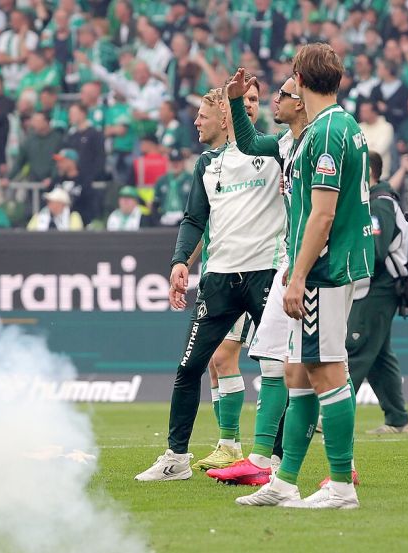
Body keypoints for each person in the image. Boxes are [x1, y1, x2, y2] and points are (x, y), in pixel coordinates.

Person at [237, 43, 373, 510]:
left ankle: (340, 486)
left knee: (326, 369)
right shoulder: (332, 126)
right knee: (297, 371)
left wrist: (296, 278)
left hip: (325, 270)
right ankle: (286, 480)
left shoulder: (328, 130)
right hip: (322, 267)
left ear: (299, 75)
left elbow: (322, 214)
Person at [134, 82, 285, 482]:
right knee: (190, 367)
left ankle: (274, 462)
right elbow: (194, 219)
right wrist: (180, 260)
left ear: (223, 115)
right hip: (219, 280)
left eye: (202, 114)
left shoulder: (274, 152)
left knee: (277, 367)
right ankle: (176, 458)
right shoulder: (207, 163)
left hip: (265, 274)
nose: (196, 122)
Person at [206, 71, 310, 487]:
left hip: (307, 263)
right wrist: (233, 100)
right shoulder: (286, 143)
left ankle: (340, 466)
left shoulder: (322, 138)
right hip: (292, 263)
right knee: (278, 360)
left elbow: (325, 210)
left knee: (323, 362)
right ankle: (262, 457)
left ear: (300, 101)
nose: (272, 102)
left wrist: (303, 264)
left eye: (281, 95)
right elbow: (249, 143)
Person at [347, 152, 408, 435]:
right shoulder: (378, 201)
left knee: (357, 348)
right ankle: (398, 420)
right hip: (378, 287)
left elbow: (374, 252)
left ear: (367, 173)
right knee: (379, 356)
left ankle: (329, 413)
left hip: (379, 287)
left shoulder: (378, 205)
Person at [5, 111, 62, 186]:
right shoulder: (29, 140)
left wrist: (53, 178)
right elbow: (19, 162)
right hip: (34, 182)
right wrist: (8, 178)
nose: (33, 124)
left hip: (52, 184)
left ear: (46, 122)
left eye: (37, 121)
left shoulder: (57, 139)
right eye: (33, 121)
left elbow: (59, 161)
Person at [48, 147, 94, 223]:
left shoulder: (84, 181)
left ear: (71, 162)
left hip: (78, 225)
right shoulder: (56, 180)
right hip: (56, 225)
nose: (58, 165)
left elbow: (89, 205)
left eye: (61, 161)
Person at [151, 149, 191, 227]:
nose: (175, 164)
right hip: (165, 217)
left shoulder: (191, 179)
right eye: (173, 162)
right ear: (169, 163)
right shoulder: (162, 180)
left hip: (185, 218)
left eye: (178, 162)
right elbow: (155, 203)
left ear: (183, 163)